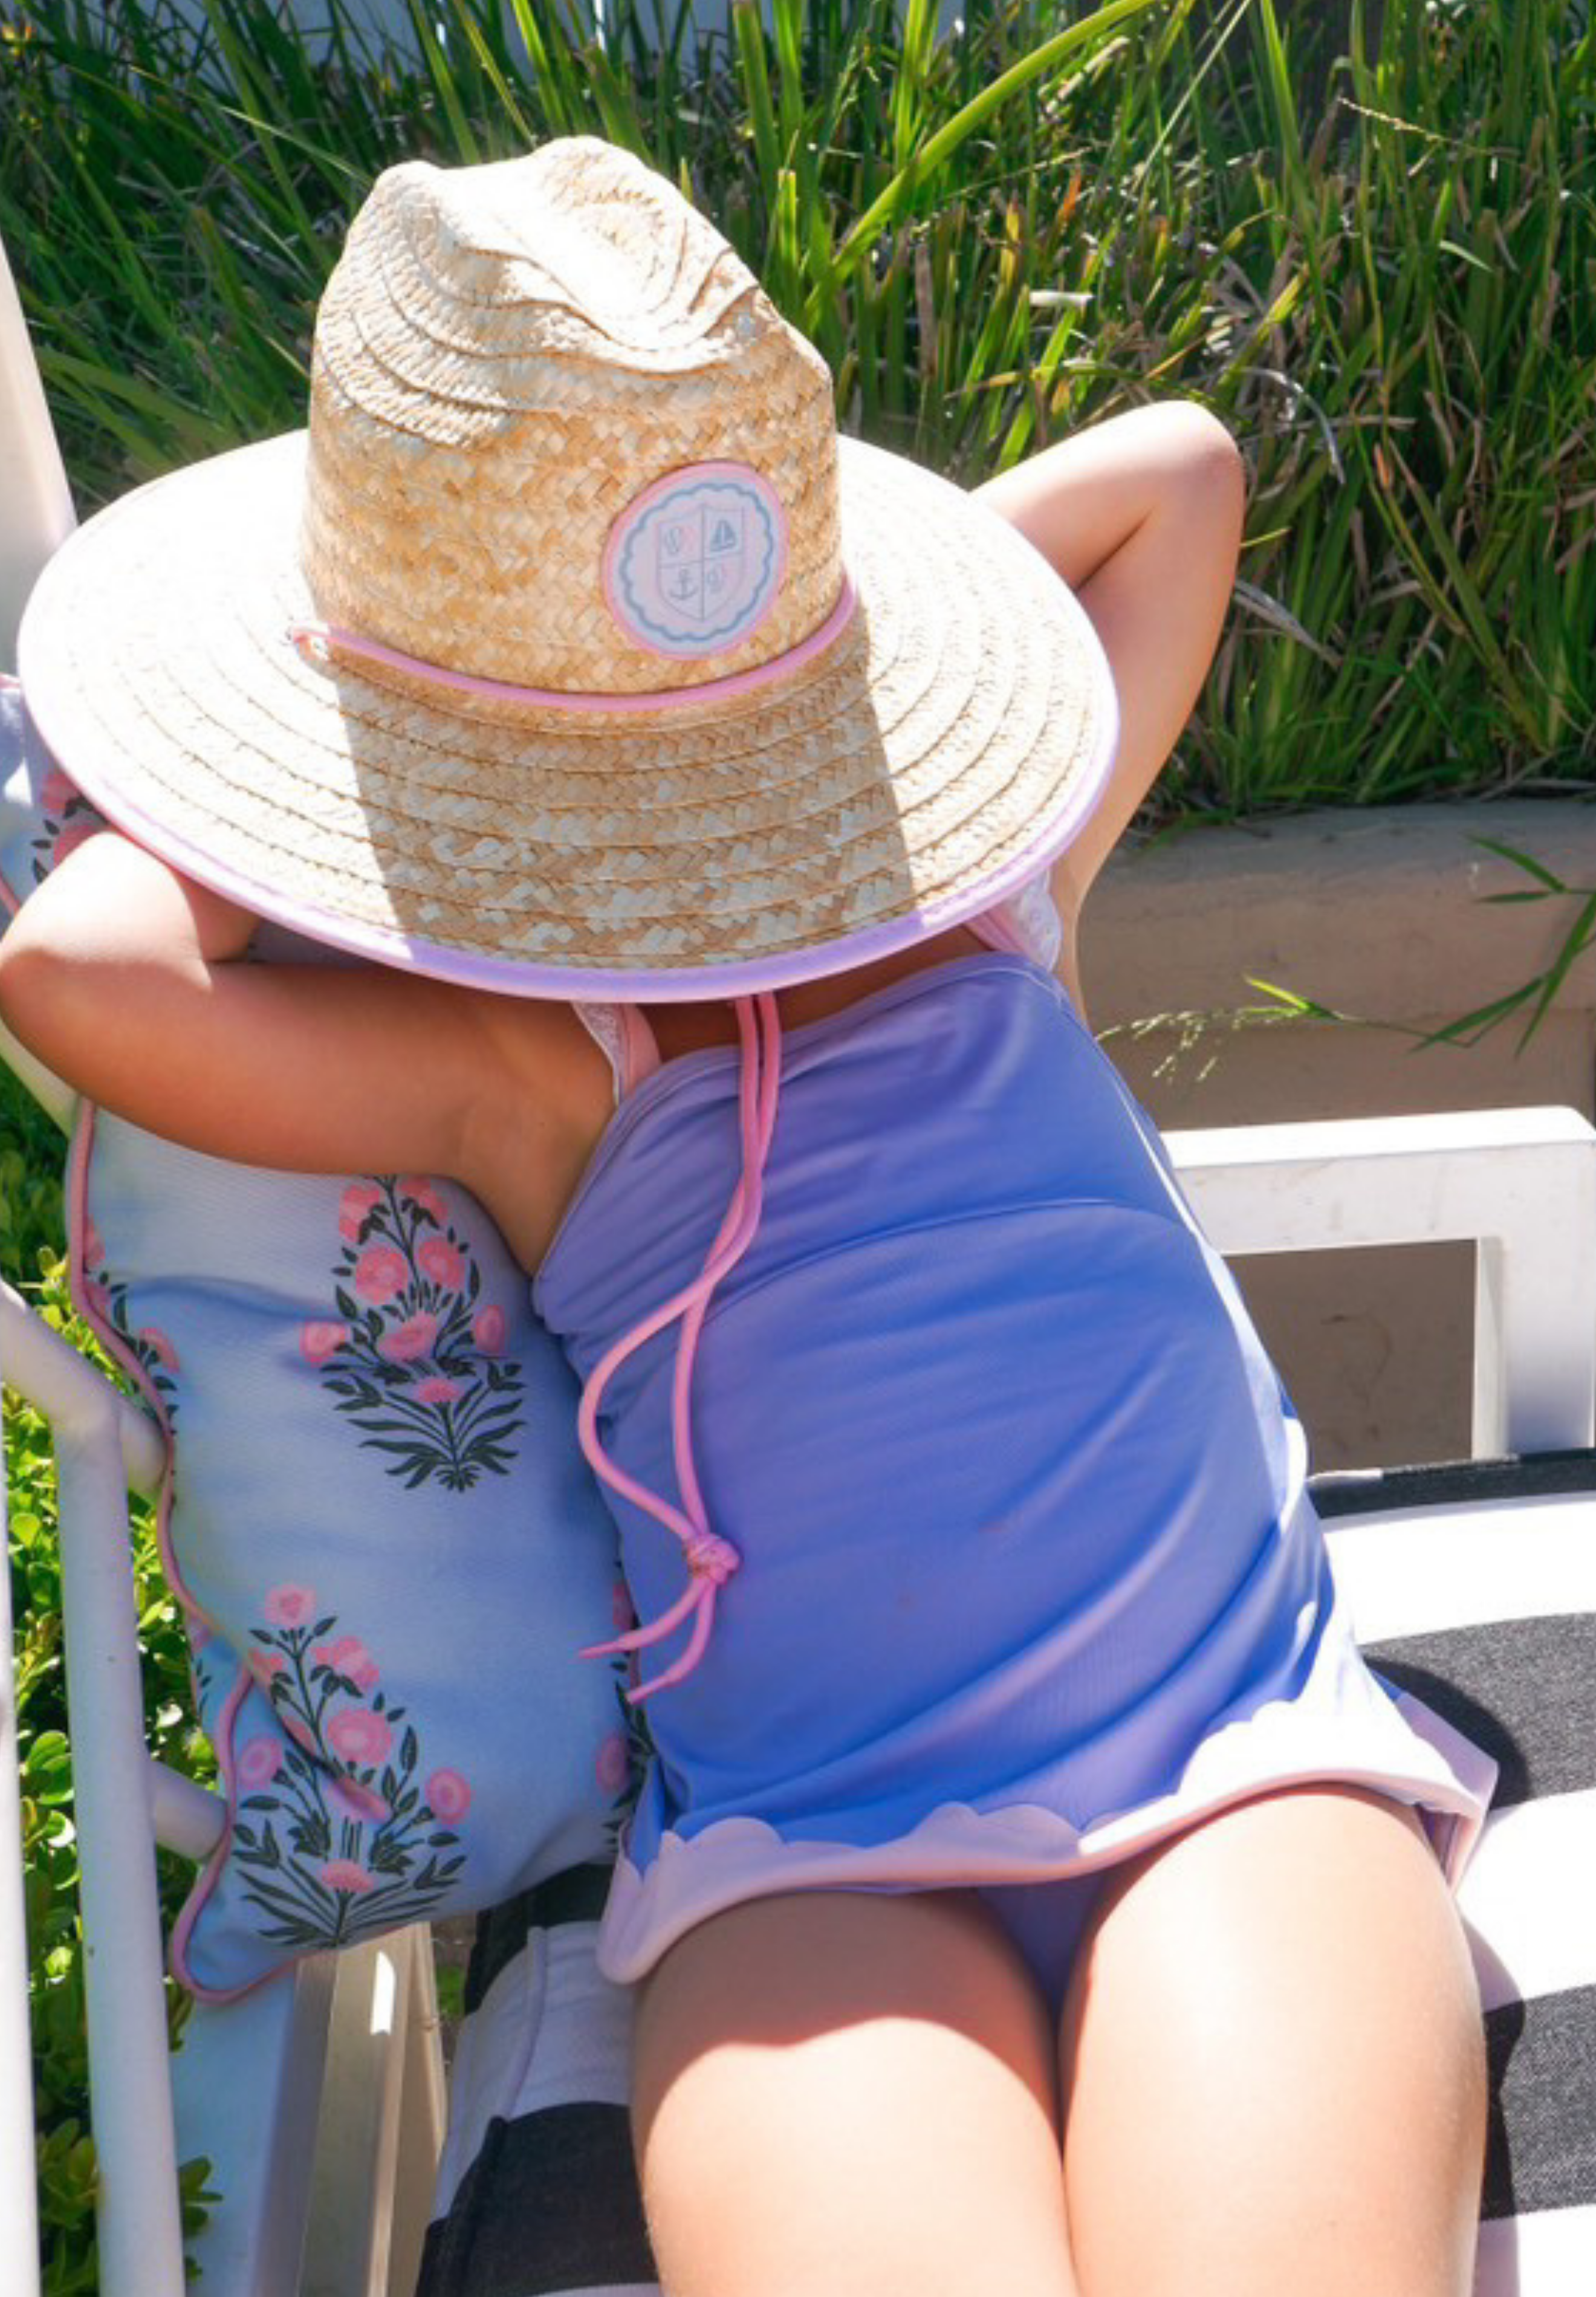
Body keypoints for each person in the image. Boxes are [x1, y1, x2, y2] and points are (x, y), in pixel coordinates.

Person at [0, 140, 1494, 2297]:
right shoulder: (535, 1070)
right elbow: (77, 973)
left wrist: (736, 678)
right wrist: (400, 763)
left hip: (1234, 1760)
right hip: (818, 1861)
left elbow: (1177, 471)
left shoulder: (993, 898)